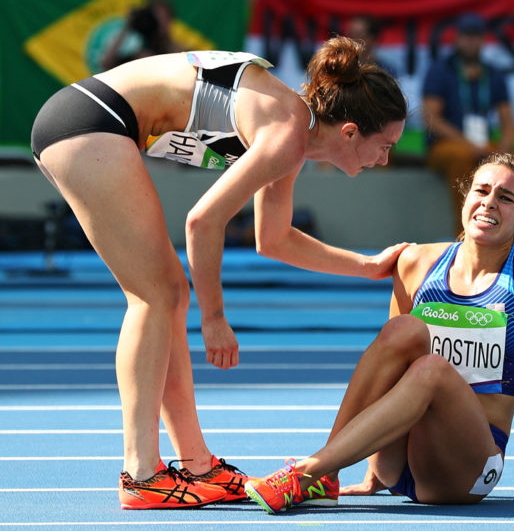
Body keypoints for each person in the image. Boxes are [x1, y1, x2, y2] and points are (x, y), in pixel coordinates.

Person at [30, 36, 408, 509]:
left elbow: (274, 239)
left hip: (90, 120)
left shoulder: (293, 134)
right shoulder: (287, 135)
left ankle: (198, 465)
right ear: (350, 132)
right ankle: (141, 474)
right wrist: (214, 318)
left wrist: (367, 266)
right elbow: (202, 221)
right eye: (385, 145)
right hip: (90, 120)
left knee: (166, 293)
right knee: (156, 295)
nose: (385, 159)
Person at [244, 153, 514, 512]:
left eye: (505, 198)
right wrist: (373, 475)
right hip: (395, 462)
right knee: (403, 330)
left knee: (431, 370)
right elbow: (388, 365)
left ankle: (310, 471)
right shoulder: (417, 262)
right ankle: (328, 470)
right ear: (465, 200)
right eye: (481, 191)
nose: (489, 203)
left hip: (468, 469)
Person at [421, 13, 514, 247]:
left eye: (476, 37)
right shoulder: (440, 70)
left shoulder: (493, 73)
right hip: (449, 146)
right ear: (457, 39)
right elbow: (431, 119)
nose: (471, 42)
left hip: (484, 146)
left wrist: (504, 151)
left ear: (483, 40)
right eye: (466, 36)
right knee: (463, 159)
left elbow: (508, 122)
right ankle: (466, 236)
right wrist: (468, 144)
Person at [101, 0, 183, 71]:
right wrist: (129, 25)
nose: (159, 23)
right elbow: (106, 63)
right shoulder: (137, 51)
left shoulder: (176, 53)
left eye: (163, 18)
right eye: (155, 18)